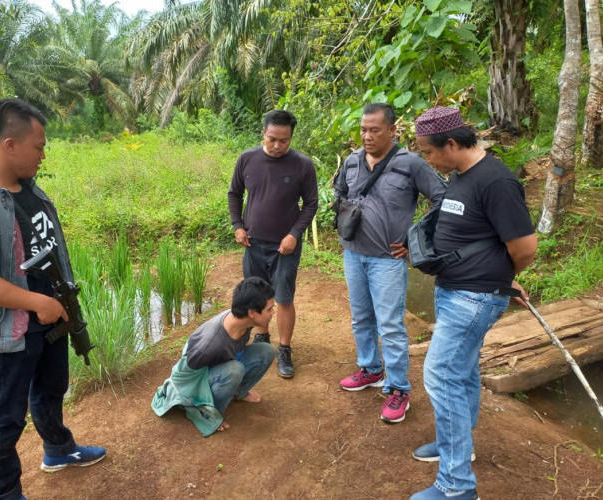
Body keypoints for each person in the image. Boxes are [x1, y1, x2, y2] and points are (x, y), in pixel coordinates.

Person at [0, 98, 106, 500]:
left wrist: (59, 302)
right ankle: (6, 495)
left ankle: (58, 450)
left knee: (53, 386)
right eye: (39, 146)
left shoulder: (29, 189)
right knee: (5, 420)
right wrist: (37, 303)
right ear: (9, 145)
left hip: (51, 316)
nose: (43, 153)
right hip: (12, 328)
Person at [409, 106, 537, 500]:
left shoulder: (496, 181)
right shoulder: (460, 174)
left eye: (428, 152)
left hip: (473, 297)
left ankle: (456, 487)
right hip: (456, 291)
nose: (426, 159)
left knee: (440, 375)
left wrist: (500, 279)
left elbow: (525, 247)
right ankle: (457, 444)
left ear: (451, 143)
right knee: (461, 373)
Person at [333, 103, 447, 423]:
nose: (367, 136)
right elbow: (339, 193)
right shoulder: (353, 161)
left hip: (387, 259)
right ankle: (370, 369)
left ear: (392, 131)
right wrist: (344, 222)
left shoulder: (409, 164)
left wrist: (416, 240)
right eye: (363, 130)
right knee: (361, 318)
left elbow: (442, 197)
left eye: (375, 130)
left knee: (391, 325)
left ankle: (398, 388)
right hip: (353, 254)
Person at [227, 110, 318, 379]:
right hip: (253, 243)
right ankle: (262, 338)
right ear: (263, 133)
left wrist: (294, 234)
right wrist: (238, 225)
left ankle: (285, 349)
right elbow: (234, 193)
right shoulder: (247, 159)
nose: (277, 145)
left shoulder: (302, 164)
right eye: (272, 139)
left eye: (284, 140)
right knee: (256, 296)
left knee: (284, 297)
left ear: (291, 138)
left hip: (285, 247)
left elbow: (311, 203)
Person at [152, 277, 276, 435]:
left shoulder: (245, 322)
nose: (273, 313)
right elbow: (181, 379)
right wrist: (189, 401)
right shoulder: (209, 344)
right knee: (234, 370)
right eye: (269, 309)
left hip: (216, 367)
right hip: (194, 377)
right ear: (251, 312)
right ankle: (210, 414)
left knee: (265, 351)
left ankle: (238, 392)